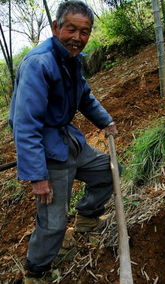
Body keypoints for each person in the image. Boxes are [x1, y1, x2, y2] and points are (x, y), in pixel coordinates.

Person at [9, 1, 118, 282]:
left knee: (107, 170)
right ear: (56, 27)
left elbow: (84, 96)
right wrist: (37, 175)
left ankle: (87, 218)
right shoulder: (39, 63)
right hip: (48, 150)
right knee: (54, 223)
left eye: (84, 32)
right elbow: (25, 124)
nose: (77, 38)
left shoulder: (72, 59)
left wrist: (105, 121)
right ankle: (36, 271)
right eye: (71, 29)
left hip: (68, 141)